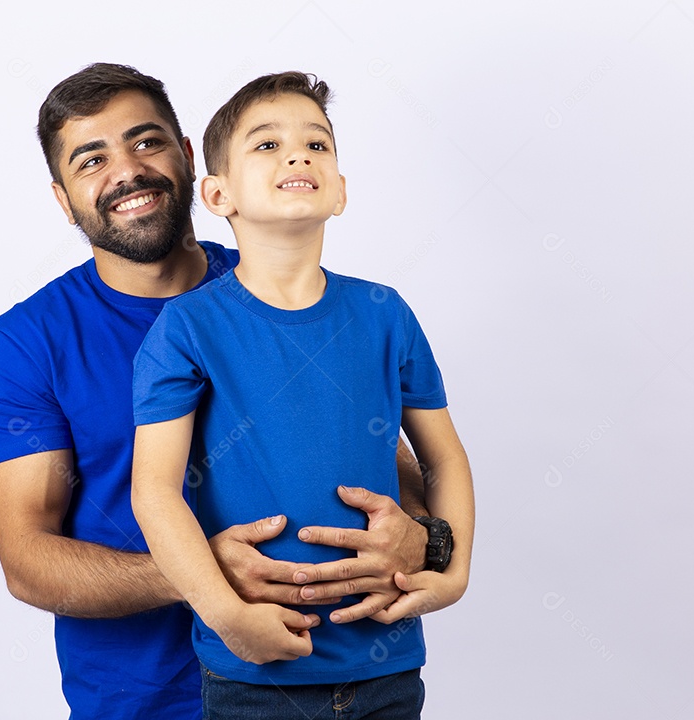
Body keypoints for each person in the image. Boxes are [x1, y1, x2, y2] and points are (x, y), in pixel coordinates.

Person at [0, 63, 441, 720]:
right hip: (143, 703)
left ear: (191, 158)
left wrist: (423, 536)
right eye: (91, 160)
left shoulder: (276, 295)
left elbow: (384, 462)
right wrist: (199, 575)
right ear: (63, 198)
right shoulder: (28, 344)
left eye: (146, 141)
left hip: (328, 688)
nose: (128, 171)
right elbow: (28, 560)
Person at [131, 72, 474, 719]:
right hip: (256, 678)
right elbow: (154, 490)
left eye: (317, 144)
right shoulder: (187, 329)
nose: (298, 155)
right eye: (267, 144)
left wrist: (451, 571)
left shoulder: (385, 313)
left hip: (388, 670)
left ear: (340, 190)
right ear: (217, 193)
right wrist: (228, 616)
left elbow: (444, 459)